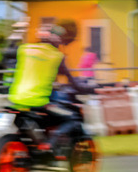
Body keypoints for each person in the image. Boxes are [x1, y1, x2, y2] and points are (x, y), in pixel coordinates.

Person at [8, 20, 91, 154]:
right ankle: (50, 144)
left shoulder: (25, 49)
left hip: (16, 99)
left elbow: (9, 59)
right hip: (40, 101)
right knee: (72, 118)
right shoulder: (56, 56)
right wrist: (90, 88)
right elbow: (73, 82)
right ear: (58, 41)